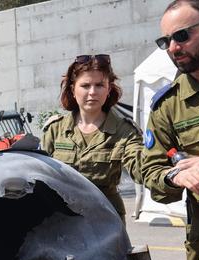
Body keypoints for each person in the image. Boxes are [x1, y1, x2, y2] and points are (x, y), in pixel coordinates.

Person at [141, 0, 199, 260]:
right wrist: (176, 177)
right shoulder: (168, 105)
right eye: (165, 41)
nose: (173, 47)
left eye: (181, 35)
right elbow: (152, 169)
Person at [42, 54, 143, 223]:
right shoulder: (55, 129)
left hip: (106, 218)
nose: (92, 92)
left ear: (109, 89)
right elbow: (40, 173)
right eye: (85, 85)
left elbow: (141, 167)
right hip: (62, 217)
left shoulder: (124, 130)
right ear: (73, 89)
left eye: (99, 85)